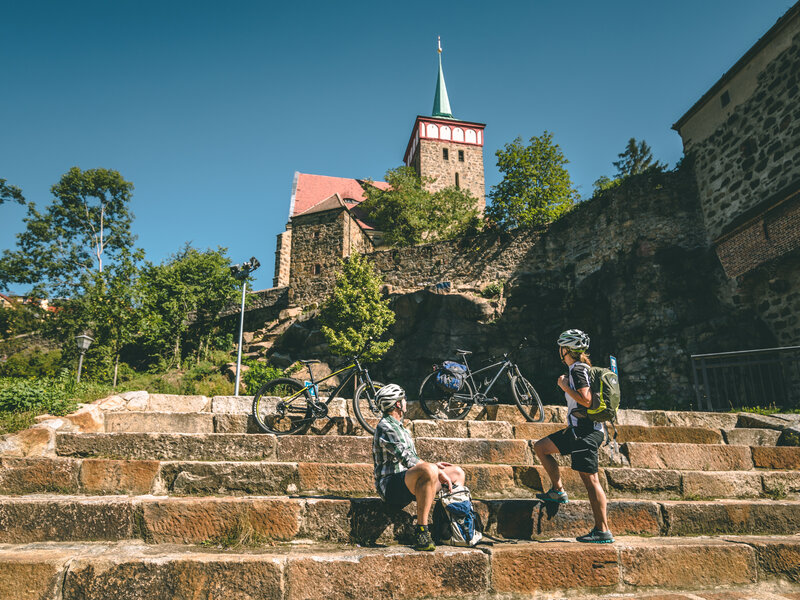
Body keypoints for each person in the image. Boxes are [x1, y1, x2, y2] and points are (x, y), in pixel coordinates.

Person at [533, 329, 614, 544]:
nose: (559, 350)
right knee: (541, 447)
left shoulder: (577, 370)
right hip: (577, 430)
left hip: (585, 433)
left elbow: (586, 400)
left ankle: (602, 530)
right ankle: (558, 490)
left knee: (591, 482)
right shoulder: (579, 368)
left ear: (566, 349)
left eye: (561, 347)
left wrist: (563, 385)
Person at [372, 383, 466, 551]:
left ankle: (446, 528)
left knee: (457, 473)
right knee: (429, 469)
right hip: (390, 486)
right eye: (404, 399)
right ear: (398, 404)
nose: (406, 402)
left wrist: (436, 468)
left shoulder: (400, 428)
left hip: (407, 480)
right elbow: (408, 459)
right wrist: (434, 470)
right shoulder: (385, 426)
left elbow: (413, 459)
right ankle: (422, 532)